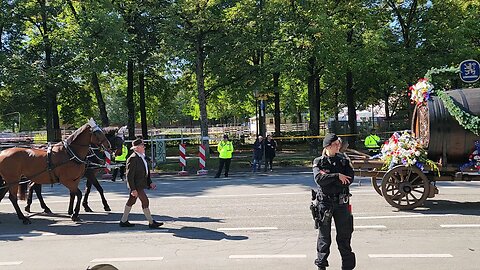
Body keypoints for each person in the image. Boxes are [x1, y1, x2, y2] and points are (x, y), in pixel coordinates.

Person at [312, 133, 356, 270]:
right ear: (328, 146)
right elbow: (319, 180)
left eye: (339, 144)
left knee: (344, 236)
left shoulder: (343, 160)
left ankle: (347, 266)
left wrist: (330, 179)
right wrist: (337, 176)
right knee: (324, 238)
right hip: (324, 204)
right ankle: (321, 265)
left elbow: (349, 179)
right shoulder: (319, 162)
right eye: (336, 144)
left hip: (342, 203)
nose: (339, 146)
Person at [119, 138, 163, 229]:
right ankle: (151, 222)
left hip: (140, 184)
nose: (144, 147)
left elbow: (146, 172)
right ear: (136, 148)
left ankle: (123, 221)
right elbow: (129, 176)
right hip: (136, 185)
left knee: (131, 201)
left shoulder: (142, 156)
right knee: (145, 201)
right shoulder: (133, 158)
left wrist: (150, 182)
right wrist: (133, 189)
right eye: (142, 145)